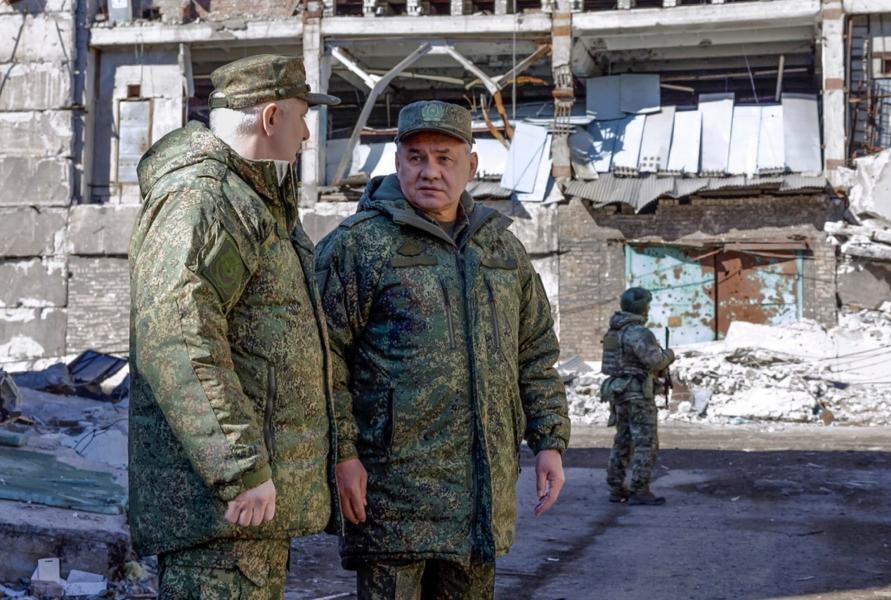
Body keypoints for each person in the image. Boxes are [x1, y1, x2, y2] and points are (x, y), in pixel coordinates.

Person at [315, 100, 571, 598]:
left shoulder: (499, 249)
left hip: (479, 499)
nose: (429, 171)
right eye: (416, 157)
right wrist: (343, 455)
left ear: (472, 166)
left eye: (444, 157)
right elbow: (323, 362)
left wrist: (549, 441)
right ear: (397, 162)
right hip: (393, 494)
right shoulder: (359, 246)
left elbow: (534, 352)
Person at [128, 54, 341, 598]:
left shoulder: (253, 201)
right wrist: (239, 466)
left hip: (245, 518)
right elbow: (176, 335)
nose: (309, 132)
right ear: (270, 118)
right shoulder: (207, 199)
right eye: (300, 116)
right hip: (221, 519)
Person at [601, 286, 675, 506]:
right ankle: (639, 489)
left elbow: (609, 365)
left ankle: (616, 487)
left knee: (623, 440)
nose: (648, 310)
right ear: (641, 308)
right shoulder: (639, 333)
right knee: (646, 443)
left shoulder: (613, 333)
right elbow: (656, 361)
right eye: (647, 306)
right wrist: (669, 355)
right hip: (638, 394)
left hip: (618, 392)